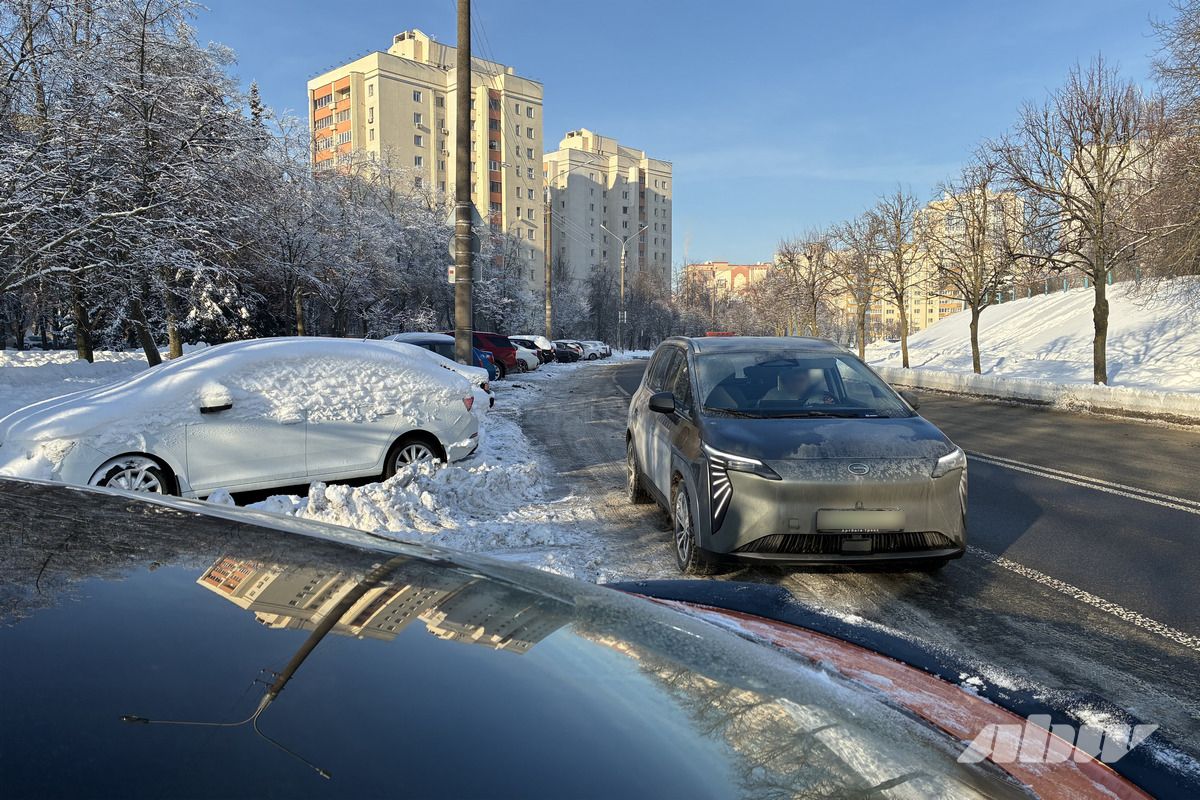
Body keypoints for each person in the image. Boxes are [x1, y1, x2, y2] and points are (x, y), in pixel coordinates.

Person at [760, 367, 834, 406]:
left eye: (801, 380)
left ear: (808, 380)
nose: (797, 384)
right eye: (794, 380)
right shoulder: (773, 395)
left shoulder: (820, 396)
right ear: (786, 381)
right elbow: (761, 409)